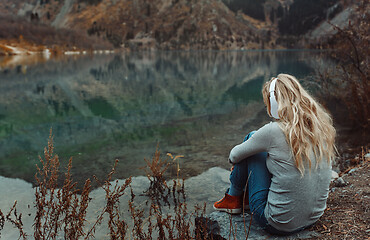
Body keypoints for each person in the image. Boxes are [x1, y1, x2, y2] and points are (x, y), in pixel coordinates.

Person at [213, 74, 336, 235]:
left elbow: (234, 156)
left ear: (274, 102)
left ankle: (233, 198)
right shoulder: (321, 128)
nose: (267, 108)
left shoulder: (273, 131)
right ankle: (238, 199)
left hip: (277, 223)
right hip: (313, 218)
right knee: (262, 148)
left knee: (251, 138)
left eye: (267, 103)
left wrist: (244, 161)